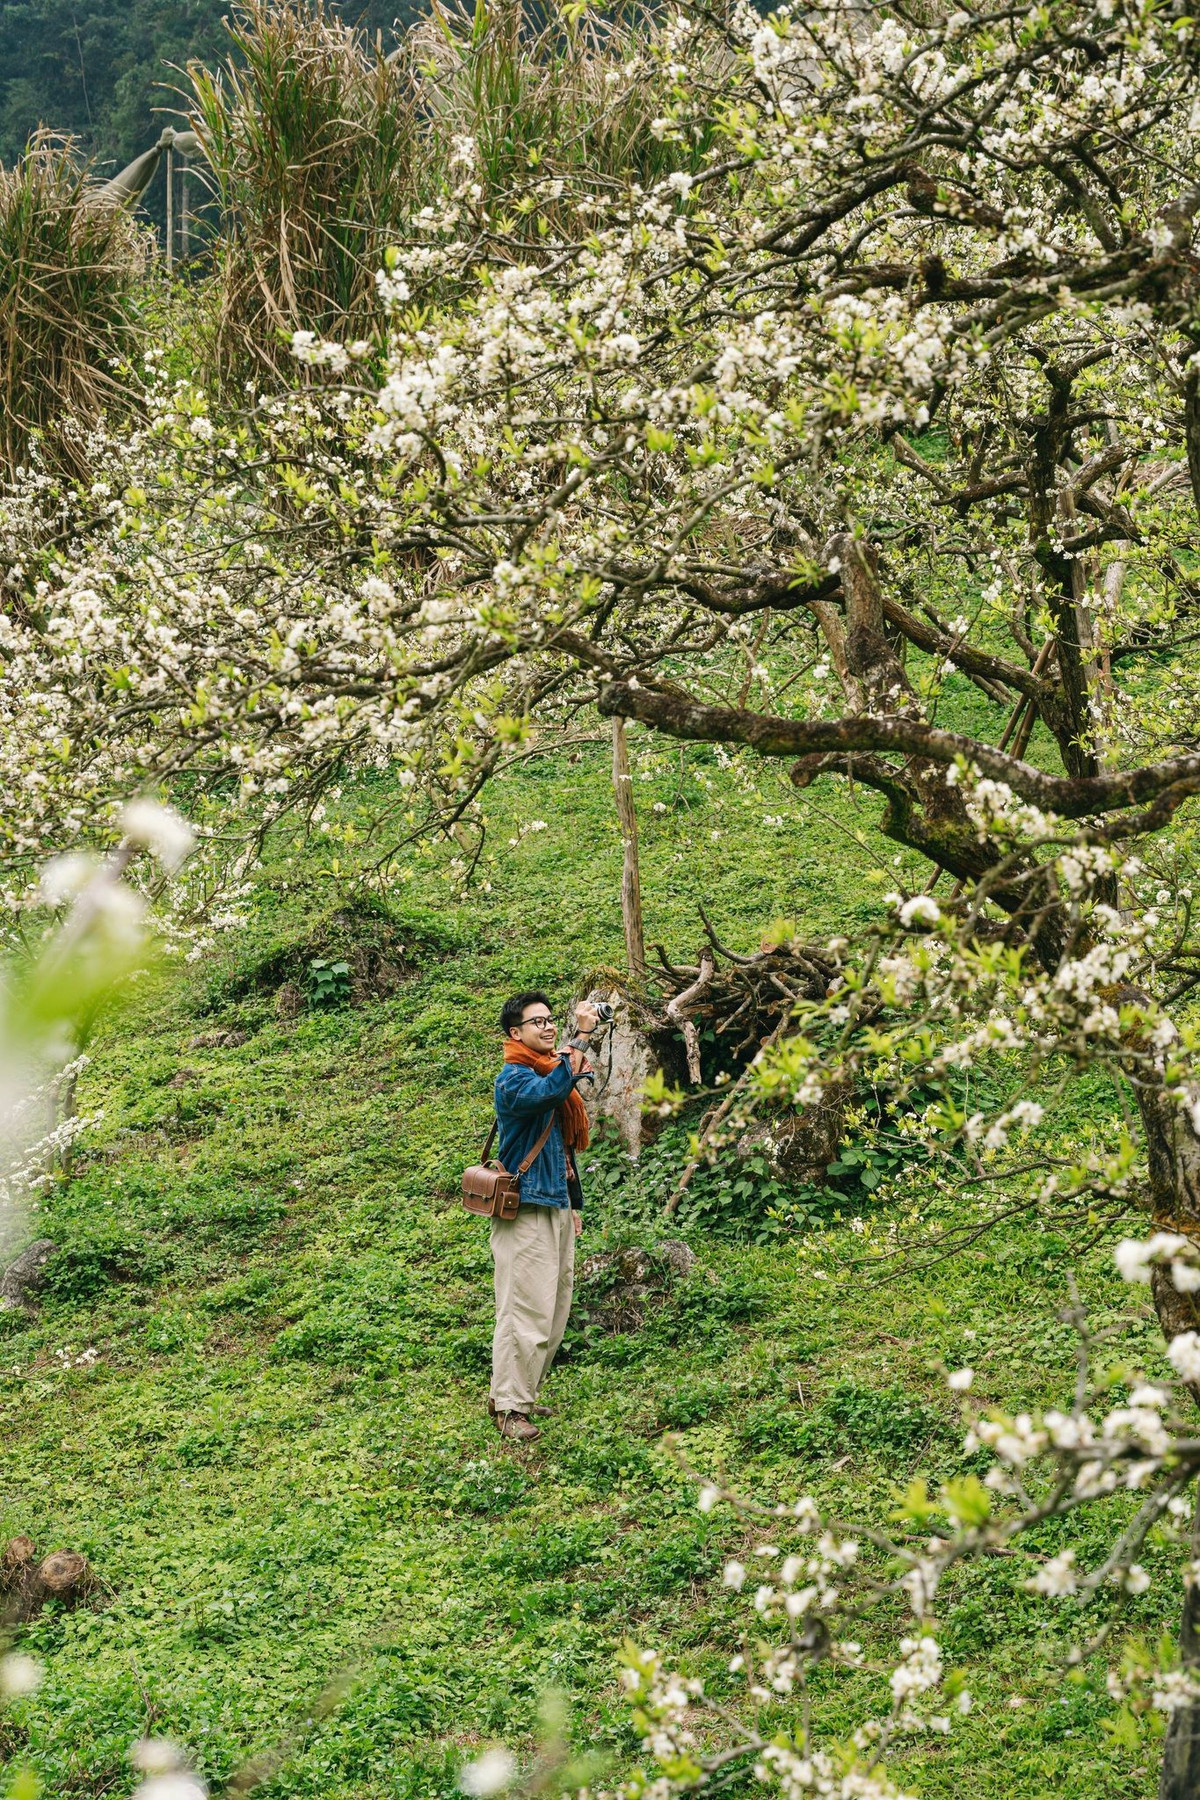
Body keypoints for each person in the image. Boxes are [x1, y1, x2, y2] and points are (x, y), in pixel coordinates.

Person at [488, 990, 598, 1442]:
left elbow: (563, 1150)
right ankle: (510, 1407)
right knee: (523, 1311)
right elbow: (553, 1091)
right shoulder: (514, 1080)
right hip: (526, 1209)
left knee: (554, 1310)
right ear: (516, 1033)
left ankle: (519, 1395)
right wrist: (584, 1035)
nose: (549, 1027)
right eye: (539, 1022)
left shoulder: (550, 1068)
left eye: (552, 1020)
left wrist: (573, 1204)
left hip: (555, 1203)